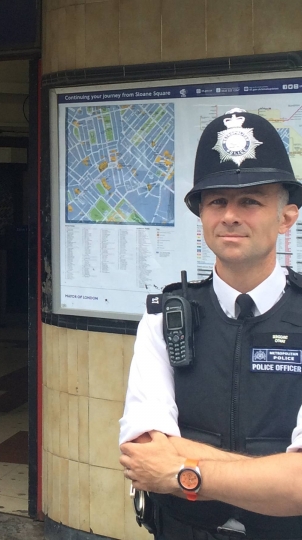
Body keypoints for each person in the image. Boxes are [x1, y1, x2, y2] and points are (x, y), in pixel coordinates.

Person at [119, 109, 302, 539]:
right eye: (217, 201)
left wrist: (184, 471)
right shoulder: (163, 320)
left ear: (286, 217)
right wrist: (275, 476)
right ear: (201, 214)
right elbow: (145, 459)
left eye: (251, 201)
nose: (230, 215)